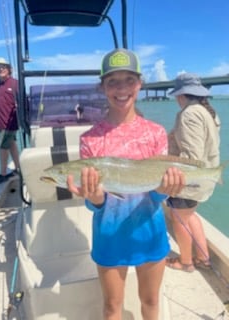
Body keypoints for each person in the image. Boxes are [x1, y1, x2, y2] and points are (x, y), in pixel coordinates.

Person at [67, 48, 185, 320]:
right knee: (111, 307)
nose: (121, 88)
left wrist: (164, 190)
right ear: (103, 87)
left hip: (150, 232)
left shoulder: (155, 133)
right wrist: (95, 198)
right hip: (110, 236)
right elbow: (94, 203)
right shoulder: (90, 140)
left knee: (151, 301)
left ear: (140, 84)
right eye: (113, 82)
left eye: (129, 80)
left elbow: (157, 197)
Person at [166, 72, 220, 272]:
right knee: (190, 215)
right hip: (205, 177)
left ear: (181, 95)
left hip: (188, 181)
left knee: (179, 218)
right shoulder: (208, 112)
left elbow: (191, 158)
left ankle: (186, 262)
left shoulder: (189, 114)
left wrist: (162, 162)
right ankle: (203, 258)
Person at [0, 57, 20, 185]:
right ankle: (18, 169)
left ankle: (3, 174)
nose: (0, 69)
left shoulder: (15, 83)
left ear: (9, 69)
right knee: (12, 145)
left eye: (3, 66)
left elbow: (23, 101)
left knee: (2, 146)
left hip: (10, 123)